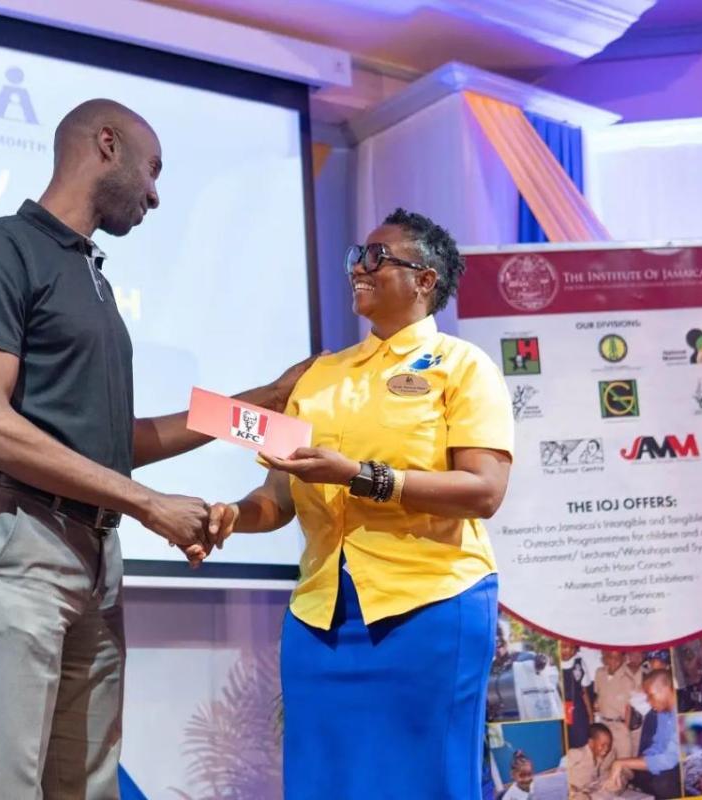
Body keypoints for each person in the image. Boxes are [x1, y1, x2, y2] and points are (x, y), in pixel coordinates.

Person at [0, 98, 312, 799]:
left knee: (87, 785)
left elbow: (117, 442)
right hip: (21, 545)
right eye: (152, 170)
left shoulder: (95, 279)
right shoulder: (0, 248)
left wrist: (258, 406)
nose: (154, 193)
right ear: (105, 144)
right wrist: (148, 506)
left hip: (95, 554)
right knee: (5, 785)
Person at [205, 209, 515, 798]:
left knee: (427, 783)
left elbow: (485, 490)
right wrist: (231, 518)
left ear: (425, 280)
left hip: (430, 604)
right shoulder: (316, 375)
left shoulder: (464, 366)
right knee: (323, 784)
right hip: (320, 616)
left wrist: (363, 478)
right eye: (355, 257)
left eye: (377, 257)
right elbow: (278, 497)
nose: (358, 269)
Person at [613, 670, 681, 798]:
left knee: (662, 784)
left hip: (681, 765)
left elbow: (670, 759)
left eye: (650, 696)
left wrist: (621, 762)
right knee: (637, 774)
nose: (649, 702)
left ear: (665, 690)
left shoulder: (682, 714)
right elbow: (658, 744)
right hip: (668, 761)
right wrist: (640, 760)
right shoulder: (662, 712)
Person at [593, 651, 638, 759]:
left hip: (619, 726)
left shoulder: (628, 679)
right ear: (604, 657)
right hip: (603, 724)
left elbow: (629, 707)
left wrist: (625, 728)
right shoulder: (599, 673)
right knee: (603, 760)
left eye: (617, 658)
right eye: (609, 657)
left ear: (623, 658)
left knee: (624, 760)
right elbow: (597, 694)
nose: (613, 661)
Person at [567, 723, 616, 800]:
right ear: (591, 742)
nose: (606, 749)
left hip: (585, 792)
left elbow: (596, 778)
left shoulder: (599, 759)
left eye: (608, 745)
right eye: (603, 745)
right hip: (570, 793)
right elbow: (559, 773)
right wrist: (570, 788)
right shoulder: (577, 753)